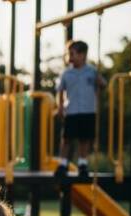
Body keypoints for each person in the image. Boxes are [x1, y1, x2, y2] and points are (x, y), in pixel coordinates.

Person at [56, 40, 106, 179]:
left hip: (88, 110)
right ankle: (63, 164)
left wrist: (100, 83)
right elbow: (60, 91)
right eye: (68, 54)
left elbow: (102, 84)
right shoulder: (66, 73)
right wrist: (60, 106)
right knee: (66, 139)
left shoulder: (92, 71)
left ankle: (82, 164)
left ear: (83, 55)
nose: (69, 57)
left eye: (72, 54)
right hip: (71, 110)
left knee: (85, 139)